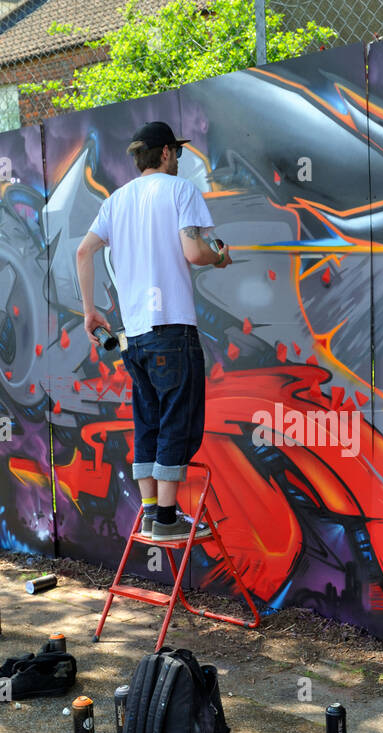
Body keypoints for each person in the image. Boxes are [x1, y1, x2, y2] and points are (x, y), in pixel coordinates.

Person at [76, 121, 230, 542]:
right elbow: (194, 250)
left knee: (147, 419)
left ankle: (148, 512)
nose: (178, 159)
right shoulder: (181, 191)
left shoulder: (116, 201)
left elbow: (83, 251)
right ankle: (166, 518)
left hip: (135, 334)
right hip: (173, 328)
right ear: (165, 153)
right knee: (179, 420)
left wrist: (91, 311)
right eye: (176, 152)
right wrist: (219, 256)